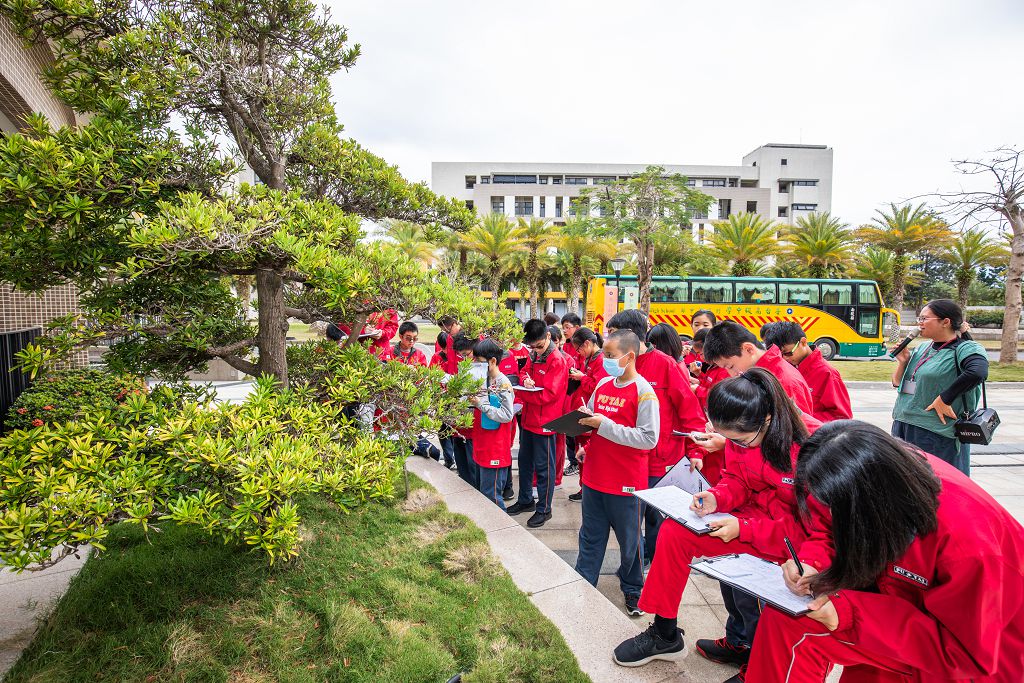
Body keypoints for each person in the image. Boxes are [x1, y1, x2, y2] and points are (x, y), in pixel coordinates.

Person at [748, 421, 1024, 683]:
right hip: (895, 609)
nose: (828, 512)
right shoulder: (857, 477)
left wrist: (850, 614)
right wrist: (811, 564)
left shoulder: (969, 546)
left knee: (799, 627)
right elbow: (828, 528)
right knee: (786, 617)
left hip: (962, 657)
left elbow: (962, 652)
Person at [613, 369, 825, 683]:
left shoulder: (810, 446)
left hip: (795, 543)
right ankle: (665, 633)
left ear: (766, 419)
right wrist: (716, 497)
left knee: (780, 607)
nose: (733, 445)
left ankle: (759, 669)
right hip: (749, 521)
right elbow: (736, 478)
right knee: (674, 533)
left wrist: (746, 529)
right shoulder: (744, 432)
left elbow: (813, 530)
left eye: (738, 440)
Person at [606, 309, 708, 563]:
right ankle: (632, 568)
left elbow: (690, 412)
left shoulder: (665, 365)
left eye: (613, 335)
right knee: (626, 521)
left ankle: (651, 566)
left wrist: (696, 452)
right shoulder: (616, 363)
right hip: (624, 459)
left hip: (659, 462)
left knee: (656, 521)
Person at [574, 330, 660, 617]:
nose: (607, 361)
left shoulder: (644, 392)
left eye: (610, 356)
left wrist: (604, 425)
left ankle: (634, 589)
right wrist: (586, 440)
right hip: (595, 477)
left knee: (630, 542)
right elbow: (598, 423)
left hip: (626, 484)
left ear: (629, 356)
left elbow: (649, 438)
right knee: (590, 537)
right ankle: (583, 583)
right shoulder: (603, 384)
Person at [891, 299, 987, 476]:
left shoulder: (965, 348)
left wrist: (945, 398)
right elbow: (898, 384)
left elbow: (977, 372)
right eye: (919, 318)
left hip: (935, 433)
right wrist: (903, 362)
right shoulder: (922, 348)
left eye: (924, 318)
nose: (919, 323)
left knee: (936, 486)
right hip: (904, 425)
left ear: (945, 322)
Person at [508, 319, 568, 528]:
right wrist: (525, 381)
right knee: (525, 463)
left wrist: (523, 394)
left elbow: (549, 394)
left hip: (546, 423)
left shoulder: (557, 360)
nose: (536, 351)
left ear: (549, 337)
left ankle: (544, 509)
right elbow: (523, 371)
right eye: (532, 347)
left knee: (544, 469)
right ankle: (526, 500)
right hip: (530, 419)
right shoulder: (534, 354)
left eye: (539, 346)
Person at [703, 321, 814, 415]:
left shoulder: (783, 381)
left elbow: (798, 432)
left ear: (748, 349)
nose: (732, 374)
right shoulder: (755, 374)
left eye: (731, 366)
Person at [761, 321, 851, 422]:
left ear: (803, 342)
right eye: (779, 355)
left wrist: (802, 419)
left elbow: (842, 416)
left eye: (787, 353)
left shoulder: (827, 373)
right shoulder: (784, 367)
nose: (784, 359)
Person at [468, 339, 516, 510]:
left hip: (495, 448)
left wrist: (481, 404)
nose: (476, 366)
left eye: (480, 362)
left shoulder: (503, 384)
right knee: (483, 492)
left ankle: (501, 532)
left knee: (492, 498)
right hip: (482, 444)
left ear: (493, 361)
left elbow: (507, 415)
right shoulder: (482, 379)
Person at [567, 327, 609, 499]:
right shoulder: (591, 359)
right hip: (582, 411)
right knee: (581, 452)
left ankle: (588, 489)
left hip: (591, 413)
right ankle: (583, 487)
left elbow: (596, 388)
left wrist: (581, 377)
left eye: (579, 349)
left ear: (587, 343)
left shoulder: (600, 361)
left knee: (588, 454)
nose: (579, 353)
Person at [450, 334, 479, 486]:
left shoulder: (483, 366)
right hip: (458, 421)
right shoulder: (463, 364)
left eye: (467, 354)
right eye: (461, 356)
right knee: (462, 466)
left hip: (473, 423)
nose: (465, 358)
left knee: (473, 465)